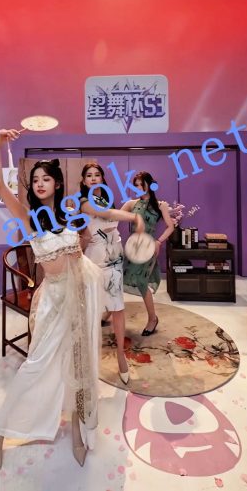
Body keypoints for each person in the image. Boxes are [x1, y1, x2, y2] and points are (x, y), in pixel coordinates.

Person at [0, 129, 105, 469]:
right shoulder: (28, 217)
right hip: (54, 299)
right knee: (36, 365)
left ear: (57, 183)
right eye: (35, 180)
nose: (39, 184)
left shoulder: (69, 216)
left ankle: (79, 430)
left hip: (82, 293)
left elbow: (82, 246)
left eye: (46, 179)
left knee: (79, 363)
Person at [77, 163, 146, 385]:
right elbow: (105, 215)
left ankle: (120, 355)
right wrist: (134, 218)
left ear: (102, 178)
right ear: (84, 181)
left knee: (117, 306)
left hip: (114, 257)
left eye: (97, 175)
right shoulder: (83, 201)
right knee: (91, 307)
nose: (93, 178)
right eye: (89, 176)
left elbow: (111, 217)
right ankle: (87, 355)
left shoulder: (106, 199)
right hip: (94, 259)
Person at [120, 171, 175, 336]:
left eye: (141, 184)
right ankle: (110, 312)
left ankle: (152, 319)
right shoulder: (131, 204)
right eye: (135, 185)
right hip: (132, 248)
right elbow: (113, 217)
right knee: (119, 279)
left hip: (148, 248)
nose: (138, 187)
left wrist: (158, 241)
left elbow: (171, 226)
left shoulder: (160, 205)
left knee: (141, 282)